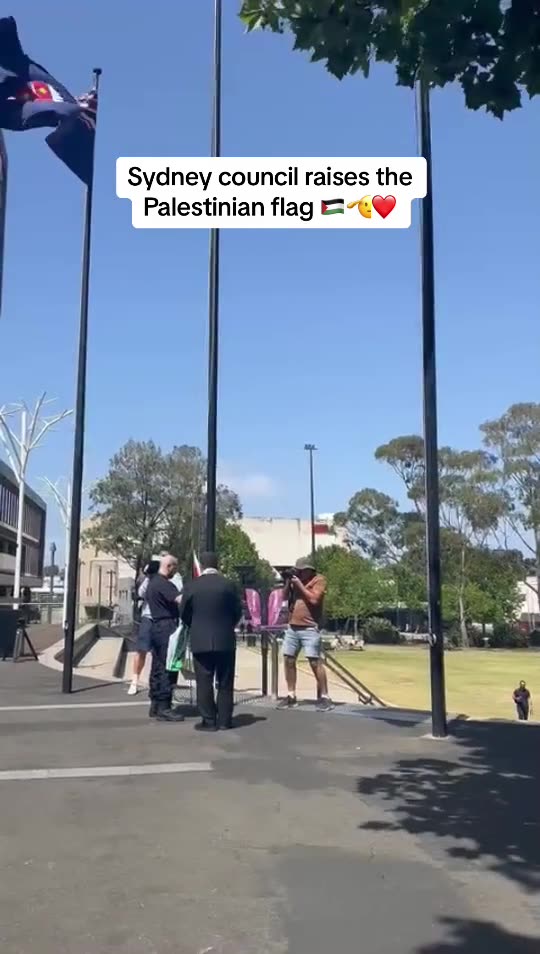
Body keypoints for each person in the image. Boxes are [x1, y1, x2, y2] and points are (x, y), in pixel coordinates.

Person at [179, 551, 242, 732]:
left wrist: (195, 624)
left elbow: (184, 612)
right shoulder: (229, 585)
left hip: (200, 639)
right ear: (218, 564)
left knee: (204, 680)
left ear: (204, 566)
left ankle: (209, 721)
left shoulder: (192, 586)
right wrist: (228, 624)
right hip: (225, 639)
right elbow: (237, 611)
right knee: (225, 681)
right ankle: (225, 720)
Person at [277, 556, 334, 711]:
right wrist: (288, 582)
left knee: (314, 662)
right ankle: (291, 695)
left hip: (310, 628)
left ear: (310, 570)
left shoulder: (319, 580)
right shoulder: (295, 582)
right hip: (292, 627)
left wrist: (299, 585)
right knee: (288, 659)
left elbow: (314, 599)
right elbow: (283, 597)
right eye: (298, 571)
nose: (300, 574)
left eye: (302, 571)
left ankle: (325, 696)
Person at [145, 554, 185, 722]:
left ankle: (155, 704)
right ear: (169, 566)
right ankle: (164, 706)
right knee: (168, 667)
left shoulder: (152, 583)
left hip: (156, 626)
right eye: (174, 569)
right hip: (167, 626)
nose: (174, 573)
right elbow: (179, 599)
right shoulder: (164, 584)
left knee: (157, 665)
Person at [127, 560, 160, 695]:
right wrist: (148, 578)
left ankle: (156, 683)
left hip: (162, 619)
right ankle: (135, 680)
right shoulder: (148, 580)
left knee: (159, 653)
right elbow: (141, 593)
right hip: (148, 617)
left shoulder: (170, 580)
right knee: (141, 650)